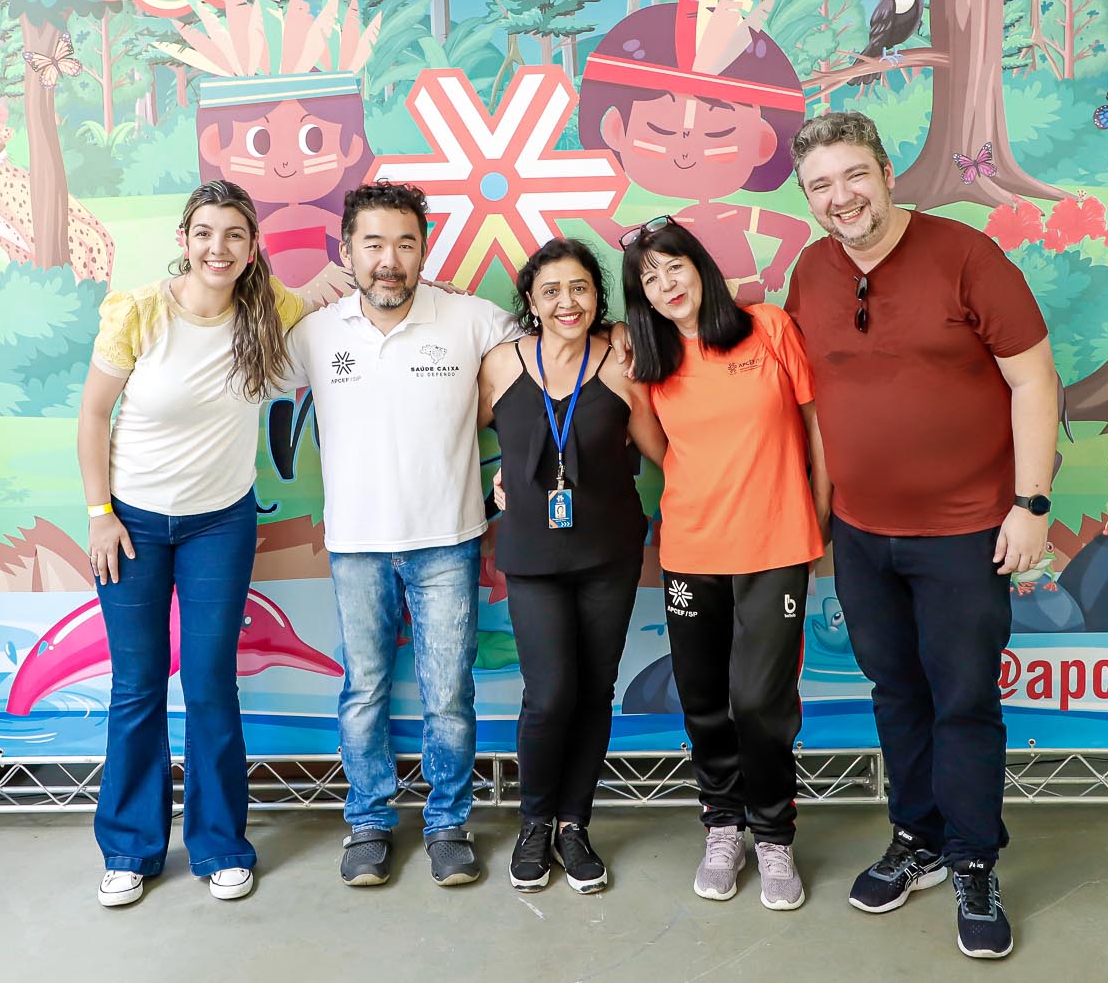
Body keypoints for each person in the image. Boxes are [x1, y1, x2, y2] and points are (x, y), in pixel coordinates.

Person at [785, 111, 1057, 961]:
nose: (841, 197)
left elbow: (1034, 379)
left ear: (888, 172)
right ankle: (918, 837)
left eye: (853, 175)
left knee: (963, 697)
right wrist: (818, 513)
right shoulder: (809, 271)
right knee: (895, 690)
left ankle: (975, 859)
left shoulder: (968, 256)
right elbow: (815, 402)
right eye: (821, 185)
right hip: (863, 535)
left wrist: (1032, 503)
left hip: (965, 534)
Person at [77, 181, 310, 909]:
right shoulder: (138, 312)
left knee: (210, 682)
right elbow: (93, 415)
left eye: (234, 234)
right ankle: (129, 848)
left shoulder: (270, 311)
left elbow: (334, 305)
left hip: (220, 524)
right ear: (184, 239)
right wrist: (100, 513)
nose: (219, 247)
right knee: (137, 684)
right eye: (205, 232)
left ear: (252, 246)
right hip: (133, 524)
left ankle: (220, 846)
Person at [282, 180, 520, 889]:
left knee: (449, 693)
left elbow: (551, 351)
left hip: (448, 539)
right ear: (347, 250)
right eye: (374, 244)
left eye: (405, 244)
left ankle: (448, 824)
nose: (389, 260)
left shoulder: (471, 319)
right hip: (355, 544)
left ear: (424, 250)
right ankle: (369, 821)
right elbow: (239, 369)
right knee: (364, 691)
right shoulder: (315, 333)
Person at [619, 218, 827, 912]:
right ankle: (723, 826)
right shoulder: (650, 362)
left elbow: (815, 425)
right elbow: (659, 447)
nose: (665, 284)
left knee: (761, 702)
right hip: (691, 549)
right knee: (704, 700)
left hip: (776, 544)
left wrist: (819, 511)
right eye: (649, 279)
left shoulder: (768, 327)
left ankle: (773, 834)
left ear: (699, 266)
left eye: (672, 266)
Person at [478, 238, 665, 894]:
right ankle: (534, 821)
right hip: (532, 557)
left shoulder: (618, 363)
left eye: (580, 287)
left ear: (597, 297)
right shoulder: (500, 364)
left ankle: (573, 824)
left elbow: (666, 451)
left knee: (593, 691)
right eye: (552, 289)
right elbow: (448, 438)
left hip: (608, 554)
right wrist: (495, 482)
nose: (567, 301)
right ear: (530, 301)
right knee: (550, 692)